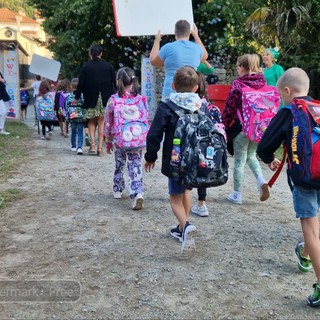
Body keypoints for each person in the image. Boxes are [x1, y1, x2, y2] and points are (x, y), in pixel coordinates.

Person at [257, 67, 320, 307]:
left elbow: (264, 147)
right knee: (313, 233)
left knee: (311, 230)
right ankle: (305, 253)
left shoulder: (288, 111)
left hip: (304, 179)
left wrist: (270, 159)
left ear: (287, 91)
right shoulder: (317, 108)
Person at [144, 66, 201, 252]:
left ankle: (186, 226)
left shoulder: (167, 106)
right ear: (195, 88)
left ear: (173, 86)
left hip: (175, 160)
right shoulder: (200, 106)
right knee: (186, 192)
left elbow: (154, 134)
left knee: (175, 198)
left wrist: (151, 156)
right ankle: (181, 228)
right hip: (194, 160)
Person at [221, 54, 269, 205]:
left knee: (239, 161)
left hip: (241, 128)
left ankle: (237, 194)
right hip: (259, 128)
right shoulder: (263, 83)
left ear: (242, 68)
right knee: (251, 155)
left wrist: (224, 125)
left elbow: (229, 108)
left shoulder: (238, 84)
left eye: (238, 66)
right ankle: (261, 180)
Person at [104, 67, 148, 210]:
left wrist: (109, 141)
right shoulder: (141, 99)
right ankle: (137, 192)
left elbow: (108, 121)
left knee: (119, 163)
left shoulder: (114, 100)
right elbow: (145, 118)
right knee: (135, 164)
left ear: (119, 82)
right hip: (136, 138)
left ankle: (118, 188)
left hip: (120, 138)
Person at [190, 72, 225, 217]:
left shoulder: (187, 106)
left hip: (190, 145)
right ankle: (202, 203)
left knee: (187, 172)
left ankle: (182, 199)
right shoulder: (211, 108)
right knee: (202, 170)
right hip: (207, 147)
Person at [150, 20, 208, 101]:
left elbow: (153, 61)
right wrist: (196, 37)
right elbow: (205, 56)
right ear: (189, 32)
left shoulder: (168, 48)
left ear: (175, 32)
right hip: (191, 91)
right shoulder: (197, 48)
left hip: (170, 92)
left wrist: (157, 40)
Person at [74, 44, 116, 156]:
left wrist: (76, 97)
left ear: (90, 53)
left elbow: (80, 84)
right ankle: (100, 148)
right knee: (101, 122)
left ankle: (92, 144)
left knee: (91, 121)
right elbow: (114, 81)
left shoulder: (86, 67)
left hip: (90, 97)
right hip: (105, 98)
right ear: (101, 53)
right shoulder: (108, 66)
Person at [68, 78, 86, 155]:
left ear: (71, 86)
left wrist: (67, 116)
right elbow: (85, 104)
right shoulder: (82, 95)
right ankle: (79, 147)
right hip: (80, 116)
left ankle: (73, 145)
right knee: (80, 131)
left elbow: (67, 106)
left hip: (72, 116)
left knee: (73, 131)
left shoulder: (69, 96)